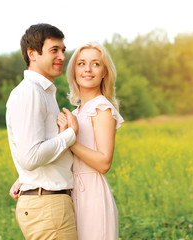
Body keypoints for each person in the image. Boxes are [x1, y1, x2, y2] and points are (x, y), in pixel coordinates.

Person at [6, 23, 78, 240]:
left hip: (50, 203)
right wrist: (69, 134)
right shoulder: (30, 93)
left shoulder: (43, 93)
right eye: (54, 50)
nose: (62, 57)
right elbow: (31, 157)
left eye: (63, 50)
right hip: (48, 206)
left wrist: (27, 177)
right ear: (32, 54)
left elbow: (32, 154)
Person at [58, 42, 124, 240]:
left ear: (104, 72)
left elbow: (104, 163)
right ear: (73, 71)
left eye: (95, 64)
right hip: (69, 193)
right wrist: (25, 180)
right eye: (81, 64)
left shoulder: (102, 108)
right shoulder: (75, 112)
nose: (87, 69)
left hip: (92, 194)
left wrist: (69, 140)